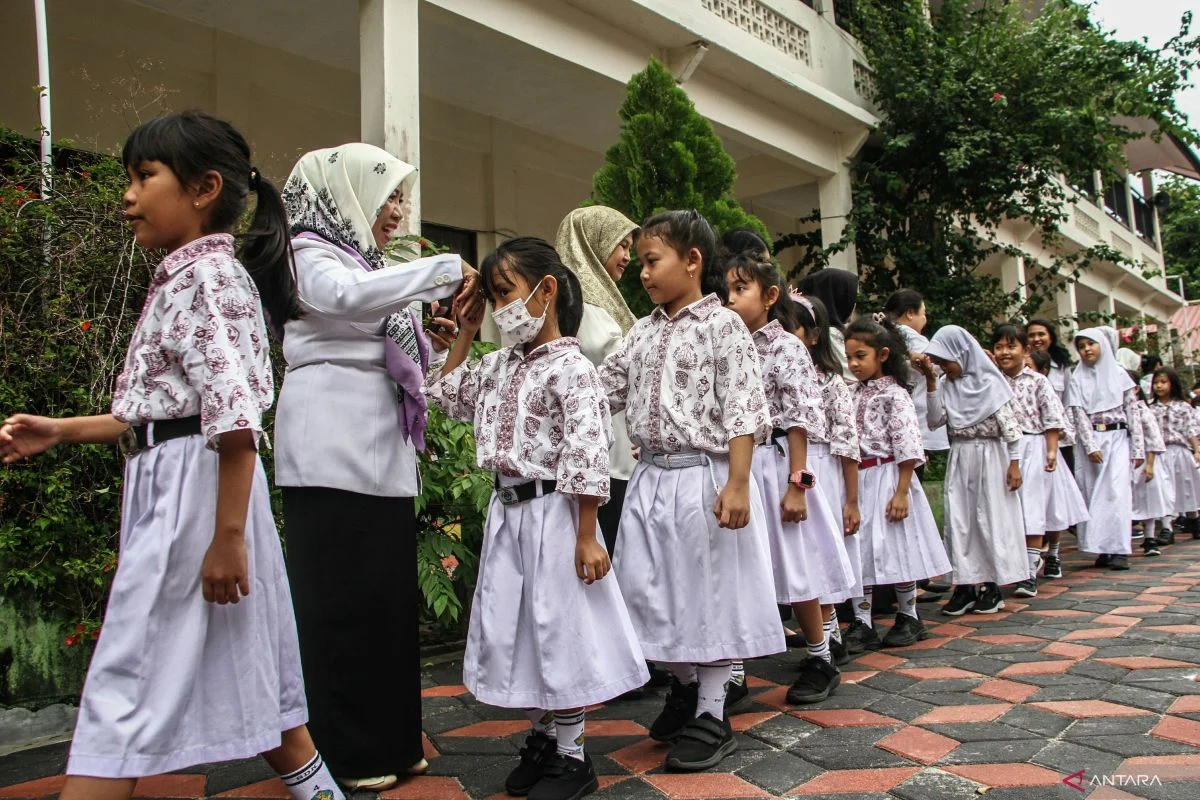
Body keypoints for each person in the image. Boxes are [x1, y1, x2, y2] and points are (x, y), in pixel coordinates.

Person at [0, 111, 342, 800]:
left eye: (143, 176)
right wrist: (62, 430)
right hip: (196, 489)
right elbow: (158, 413)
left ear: (203, 188)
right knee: (267, 690)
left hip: (199, 500)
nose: (127, 195)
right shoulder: (190, 276)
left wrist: (226, 539)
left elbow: (234, 421)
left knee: (123, 692)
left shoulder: (207, 279)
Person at [275, 143, 474, 790]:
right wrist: (439, 266)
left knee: (384, 603)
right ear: (345, 193)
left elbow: (381, 313)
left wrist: (433, 331)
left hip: (381, 445)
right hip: (328, 442)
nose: (397, 210)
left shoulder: (367, 262)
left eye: (400, 198)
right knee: (339, 605)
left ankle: (391, 740)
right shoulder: (308, 251)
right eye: (386, 195)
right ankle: (345, 752)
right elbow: (342, 299)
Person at [428, 237, 647, 800]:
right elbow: (445, 396)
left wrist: (586, 534)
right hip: (510, 514)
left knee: (560, 627)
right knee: (520, 625)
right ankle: (545, 737)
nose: (500, 307)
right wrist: (467, 332)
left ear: (546, 291)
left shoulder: (571, 368)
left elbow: (587, 452)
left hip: (556, 513)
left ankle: (574, 757)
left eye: (505, 294)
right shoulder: (498, 364)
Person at [599, 210, 784, 772]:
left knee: (707, 595)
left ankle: (711, 712)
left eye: (652, 261)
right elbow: (605, 387)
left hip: (701, 478)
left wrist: (737, 481)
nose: (643, 273)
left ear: (692, 261)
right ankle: (682, 686)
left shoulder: (721, 326)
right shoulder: (643, 330)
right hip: (651, 478)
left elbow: (744, 407)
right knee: (644, 593)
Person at [724, 255, 853, 705]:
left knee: (796, 566)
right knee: (739, 567)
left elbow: (800, 418)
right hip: (739, 466)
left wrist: (797, 484)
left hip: (777, 463)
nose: (731, 298)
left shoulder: (787, 347)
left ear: (770, 295)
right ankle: (733, 671)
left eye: (742, 289)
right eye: (728, 290)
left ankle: (820, 656)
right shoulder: (729, 344)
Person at [843, 316, 950, 644]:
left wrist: (902, 491)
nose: (853, 363)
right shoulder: (854, 393)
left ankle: (909, 615)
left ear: (883, 355)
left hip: (890, 478)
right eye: (849, 357)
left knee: (897, 548)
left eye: (861, 356)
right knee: (860, 550)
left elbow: (907, 443)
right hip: (861, 480)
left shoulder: (895, 394)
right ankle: (862, 621)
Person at [922, 325, 1026, 616]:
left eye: (946, 361)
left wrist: (1014, 464)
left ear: (962, 353)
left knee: (989, 518)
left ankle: (991, 585)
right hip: (961, 455)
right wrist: (932, 384)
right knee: (960, 520)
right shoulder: (946, 384)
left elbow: (1011, 429)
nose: (943, 367)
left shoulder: (991, 384)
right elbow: (934, 420)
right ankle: (964, 585)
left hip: (991, 456)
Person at [554, 206, 639, 554]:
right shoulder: (582, 308)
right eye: (623, 246)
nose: (628, 257)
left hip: (618, 453)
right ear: (595, 243)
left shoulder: (605, 303)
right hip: (604, 459)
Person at [991, 324, 1087, 597]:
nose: (1004, 352)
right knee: (1009, 511)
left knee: (1032, 510)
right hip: (1002, 450)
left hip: (1032, 446)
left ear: (1025, 349)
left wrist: (1051, 450)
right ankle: (1012, 566)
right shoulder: (993, 381)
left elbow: (1052, 418)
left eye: (1011, 346)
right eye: (999, 347)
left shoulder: (1037, 381)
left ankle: (1030, 572)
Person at [794, 295, 863, 656]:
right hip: (791, 466)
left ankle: (829, 631)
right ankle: (825, 632)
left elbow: (847, 444)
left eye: (792, 327)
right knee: (802, 554)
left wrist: (851, 500)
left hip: (821, 469)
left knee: (819, 553)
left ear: (814, 336)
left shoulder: (830, 383)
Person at [1065, 328, 1145, 571]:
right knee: (1094, 494)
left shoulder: (1120, 375)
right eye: (1082, 346)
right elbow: (1078, 414)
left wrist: (1138, 449)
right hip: (1092, 441)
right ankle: (1102, 546)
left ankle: (1119, 548)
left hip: (1118, 438)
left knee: (1117, 494)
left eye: (1092, 343)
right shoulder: (1077, 377)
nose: (1087, 349)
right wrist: (1089, 445)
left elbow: (1133, 412)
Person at [885, 290, 949, 460]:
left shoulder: (881, 336)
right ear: (910, 313)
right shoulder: (916, 341)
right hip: (915, 419)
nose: (925, 319)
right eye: (923, 313)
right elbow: (943, 366)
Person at [1149, 367, 1200, 543]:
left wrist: (1197, 450)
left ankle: (1194, 518)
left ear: (1173, 384)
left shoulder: (1183, 407)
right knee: (1164, 489)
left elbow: (1190, 430)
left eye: (1163, 382)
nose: (1159, 386)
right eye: (1156, 383)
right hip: (1160, 453)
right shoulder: (1151, 409)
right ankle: (1166, 528)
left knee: (1187, 487)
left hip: (1180, 451)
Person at [1129, 374, 1170, 557]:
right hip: (1125, 459)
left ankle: (1150, 537)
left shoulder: (1141, 409)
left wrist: (1150, 464)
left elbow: (1153, 438)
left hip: (1145, 459)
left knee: (1148, 499)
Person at [799, 268, 858, 381]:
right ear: (839, 298)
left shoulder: (826, 332)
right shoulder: (830, 334)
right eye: (851, 296)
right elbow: (854, 375)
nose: (854, 303)